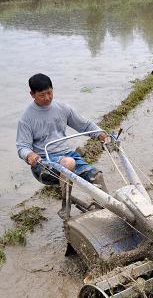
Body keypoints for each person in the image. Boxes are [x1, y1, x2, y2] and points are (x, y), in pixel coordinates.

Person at [16, 74, 108, 214]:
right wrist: (29, 155)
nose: (47, 98)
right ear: (32, 94)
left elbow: (84, 125)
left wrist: (100, 133)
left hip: (67, 155)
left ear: (52, 89)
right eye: (42, 95)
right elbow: (22, 146)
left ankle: (106, 207)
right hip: (44, 164)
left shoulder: (62, 108)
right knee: (68, 163)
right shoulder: (26, 118)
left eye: (49, 93)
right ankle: (66, 206)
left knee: (97, 176)